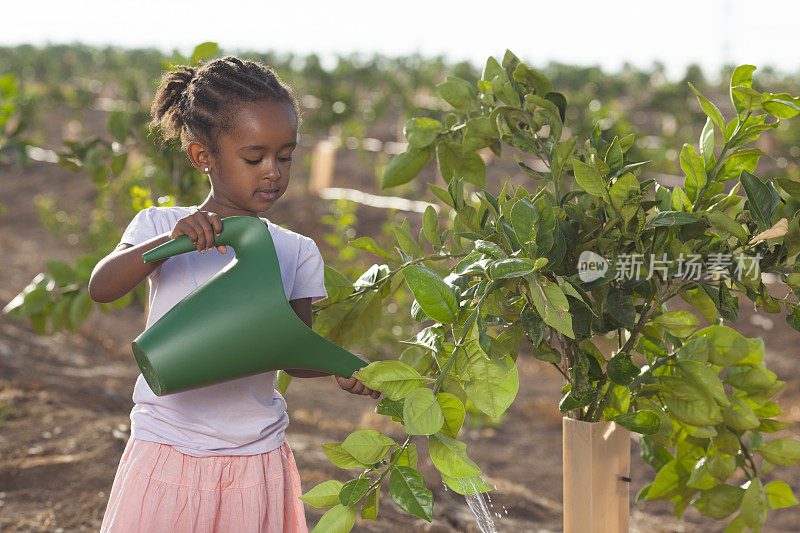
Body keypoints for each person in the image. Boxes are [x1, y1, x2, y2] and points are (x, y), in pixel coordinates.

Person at [88, 55, 381, 532]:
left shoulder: (294, 251)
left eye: (284, 157)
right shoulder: (161, 226)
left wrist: (340, 367)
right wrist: (169, 244)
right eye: (254, 157)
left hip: (254, 456)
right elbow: (102, 287)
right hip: (167, 449)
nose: (273, 172)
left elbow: (293, 350)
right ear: (203, 156)